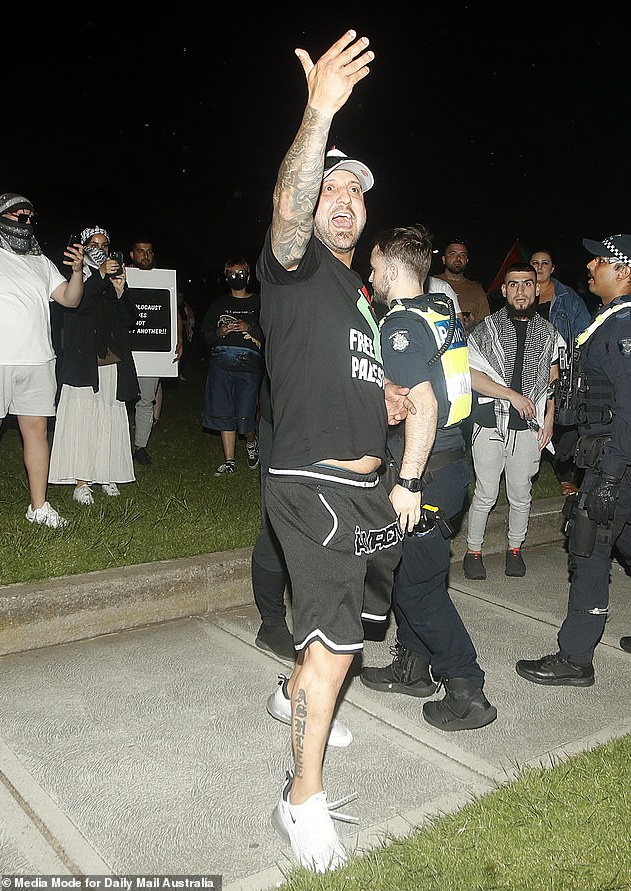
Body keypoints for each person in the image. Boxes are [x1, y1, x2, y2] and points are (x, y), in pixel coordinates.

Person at [256, 31, 413, 873]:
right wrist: (318, 110)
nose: (343, 197)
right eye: (333, 186)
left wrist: (380, 398)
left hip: (366, 487)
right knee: (339, 644)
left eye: (356, 190)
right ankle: (300, 797)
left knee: (343, 632)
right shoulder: (293, 264)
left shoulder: (357, 293)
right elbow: (286, 214)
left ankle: (292, 694)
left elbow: (342, 371)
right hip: (310, 483)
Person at [360, 224, 497, 731]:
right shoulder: (442, 314)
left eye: (374, 269)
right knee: (411, 573)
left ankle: (467, 689)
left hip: (427, 471)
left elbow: (425, 402)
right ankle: (413, 668)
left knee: (417, 589)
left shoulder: (400, 325)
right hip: (453, 462)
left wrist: (409, 481)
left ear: (393, 271)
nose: (370, 277)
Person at [516, 234, 631, 685]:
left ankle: (575, 658)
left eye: (601, 259)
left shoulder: (622, 329)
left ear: (623, 271)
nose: (591, 265)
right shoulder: (608, 322)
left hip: (614, 463)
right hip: (613, 459)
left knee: (589, 548)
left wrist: (608, 476)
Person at [463, 263, 561, 579]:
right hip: (489, 422)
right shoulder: (485, 330)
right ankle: (473, 550)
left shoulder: (549, 334)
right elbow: (472, 377)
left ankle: (514, 549)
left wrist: (549, 420)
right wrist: (512, 396)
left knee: (521, 494)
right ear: (504, 289)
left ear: (536, 288)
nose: (520, 290)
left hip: (528, 427)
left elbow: (553, 380)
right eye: (513, 284)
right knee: (487, 492)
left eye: (527, 284)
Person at [0, 192, 84, 527]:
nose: (27, 221)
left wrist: (76, 272)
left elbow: (70, 300)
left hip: (38, 361)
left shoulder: (40, 261)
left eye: (31, 216)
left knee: (37, 432)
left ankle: (38, 507)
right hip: (0, 360)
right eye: (20, 215)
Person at [48, 227, 140, 504]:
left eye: (105, 245)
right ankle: (81, 481)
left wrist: (121, 291)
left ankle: (107, 474)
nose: (100, 249)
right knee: (82, 418)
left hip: (110, 362)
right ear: (84, 247)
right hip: (82, 364)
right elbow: (80, 305)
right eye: (94, 244)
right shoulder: (76, 278)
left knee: (109, 417)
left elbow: (129, 320)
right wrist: (100, 276)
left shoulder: (110, 281)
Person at [529, 249, 593, 496]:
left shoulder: (568, 297)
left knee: (561, 422)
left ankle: (564, 474)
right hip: (527, 366)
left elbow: (584, 334)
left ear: (553, 268)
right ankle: (528, 469)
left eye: (545, 263)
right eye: (535, 263)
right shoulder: (522, 292)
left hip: (559, 366)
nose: (540, 267)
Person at [201, 258, 262, 475]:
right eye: (232, 273)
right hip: (221, 364)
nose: (237, 277)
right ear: (226, 277)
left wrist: (250, 327)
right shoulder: (219, 305)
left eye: (241, 272)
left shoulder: (259, 303)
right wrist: (220, 332)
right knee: (224, 410)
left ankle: (251, 442)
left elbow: (271, 332)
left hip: (248, 366)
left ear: (248, 275)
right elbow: (205, 336)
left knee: (246, 413)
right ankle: (230, 461)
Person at [128, 238, 183, 465]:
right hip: (125, 350)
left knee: (146, 399)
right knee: (117, 401)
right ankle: (116, 444)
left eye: (149, 252)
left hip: (151, 352)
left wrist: (178, 340)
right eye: (140, 252)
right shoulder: (121, 276)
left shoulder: (163, 280)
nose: (146, 256)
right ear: (132, 255)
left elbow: (173, 313)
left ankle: (140, 446)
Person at [251, 372, 294, 659]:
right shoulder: (289, 325)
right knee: (277, 526)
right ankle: (272, 625)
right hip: (285, 419)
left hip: (331, 419)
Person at [434, 240, 491, 333]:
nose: (458, 258)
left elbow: (486, 324)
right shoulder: (431, 283)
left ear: (467, 261)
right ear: (444, 259)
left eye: (463, 255)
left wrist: (472, 326)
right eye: (453, 254)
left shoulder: (477, 289)